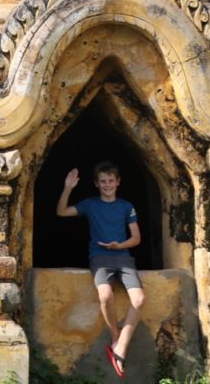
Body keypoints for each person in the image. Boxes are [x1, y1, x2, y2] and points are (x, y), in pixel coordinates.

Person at [56, 162, 144, 379]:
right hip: (99, 258)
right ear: (96, 184)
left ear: (118, 182)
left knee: (139, 299)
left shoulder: (126, 206)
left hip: (123, 257)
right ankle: (115, 338)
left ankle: (121, 346)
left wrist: (119, 245)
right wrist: (68, 187)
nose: (107, 185)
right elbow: (61, 212)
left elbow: (136, 238)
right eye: (103, 181)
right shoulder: (90, 204)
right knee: (105, 295)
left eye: (111, 181)